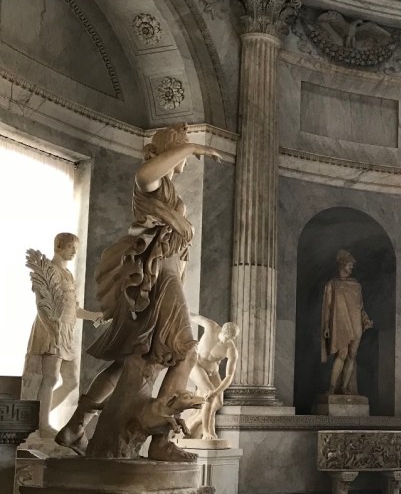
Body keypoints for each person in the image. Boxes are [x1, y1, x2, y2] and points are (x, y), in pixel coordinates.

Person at [56, 124, 222, 460]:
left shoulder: (168, 190)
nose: (185, 158)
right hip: (159, 280)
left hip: (161, 279)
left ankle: (75, 426)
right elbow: (145, 175)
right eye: (181, 150)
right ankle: (161, 442)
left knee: (129, 360)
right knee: (186, 354)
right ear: (172, 150)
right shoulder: (152, 185)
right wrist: (193, 148)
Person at [21, 233, 102, 436]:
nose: (74, 251)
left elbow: (73, 309)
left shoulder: (68, 274)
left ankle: (38, 418)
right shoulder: (48, 270)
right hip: (50, 329)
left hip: (66, 332)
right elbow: (41, 305)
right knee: (50, 378)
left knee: (71, 381)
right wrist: (52, 329)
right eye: (70, 247)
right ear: (59, 246)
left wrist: (94, 316)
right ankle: (43, 426)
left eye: (76, 247)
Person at [321, 249, 373, 396]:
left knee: (352, 356)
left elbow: (360, 307)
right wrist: (326, 325)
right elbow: (327, 307)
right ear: (342, 264)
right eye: (350, 264)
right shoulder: (332, 284)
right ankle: (332, 388)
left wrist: (365, 320)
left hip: (356, 324)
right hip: (341, 324)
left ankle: (344, 387)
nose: (351, 267)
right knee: (342, 354)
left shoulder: (356, 285)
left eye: (352, 265)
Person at [186, 314, 240, 440]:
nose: (225, 341)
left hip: (213, 371)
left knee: (218, 402)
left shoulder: (231, 350)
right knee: (209, 394)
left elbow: (229, 377)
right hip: (196, 365)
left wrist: (216, 392)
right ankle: (206, 432)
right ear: (221, 330)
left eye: (229, 339)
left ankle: (194, 423)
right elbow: (190, 315)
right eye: (224, 337)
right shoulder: (210, 326)